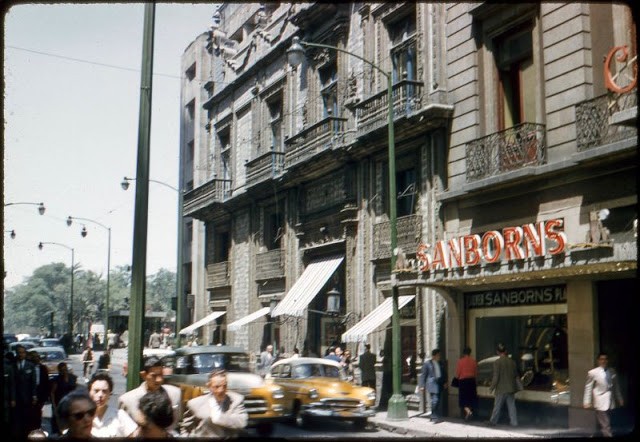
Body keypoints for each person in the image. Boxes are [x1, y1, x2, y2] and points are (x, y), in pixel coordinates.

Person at [118, 355, 182, 434]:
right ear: (143, 375)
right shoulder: (128, 400)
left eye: (161, 374)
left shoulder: (175, 393)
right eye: (154, 376)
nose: (159, 380)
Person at [180, 369, 248, 437]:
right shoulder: (195, 404)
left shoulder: (236, 400)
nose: (221, 390)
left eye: (224, 386)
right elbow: (186, 429)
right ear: (209, 386)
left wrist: (219, 418)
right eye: (216, 387)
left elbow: (242, 422)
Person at [583, 352, 624, 437]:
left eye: (605, 359)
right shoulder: (593, 372)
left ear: (607, 360)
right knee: (605, 423)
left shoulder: (612, 371)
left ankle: (598, 434)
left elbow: (616, 386)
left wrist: (619, 398)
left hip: (610, 400)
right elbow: (588, 387)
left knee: (604, 421)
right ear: (598, 361)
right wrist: (586, 401)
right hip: (600, 400)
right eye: (601, 359)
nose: (603, 361)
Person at [88, 372, 137, 437]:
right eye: (96, 391)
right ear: (89, 392)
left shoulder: (120, 415)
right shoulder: (81, 417)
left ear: (109, 394)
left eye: (104, 391)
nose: (100, 395)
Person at [488, 343, 519, 427]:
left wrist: (491, 388)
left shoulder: (497, 362)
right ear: (506, 351)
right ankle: (514, 422)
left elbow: (496, 377)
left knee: (497, 406)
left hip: (501, 388)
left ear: (497, 352)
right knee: (512, 407)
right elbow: (515, 375)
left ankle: (493, 421)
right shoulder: (512, 362)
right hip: (511, 388)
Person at [11, 344, 38, 438]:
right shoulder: (13, 365)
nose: (21, 354)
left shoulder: (30, 365)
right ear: (16, 353)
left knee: (27, 417)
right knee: (17, 418)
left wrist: (34, 395)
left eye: (22, 353)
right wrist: (13, 398)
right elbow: (12, 383)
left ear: (25, 354)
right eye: (19, 353)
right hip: (17, 397)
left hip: (28, 396)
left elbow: (33, 382)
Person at [418, 348, 447, 423]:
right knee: (435, 400)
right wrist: (421, 385)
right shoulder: (427, 363)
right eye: (438, 355)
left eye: (439, 355)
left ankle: (433, 415)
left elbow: (443, 373)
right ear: (434, 356)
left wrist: (445, 382)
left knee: (437, 400)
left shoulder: (440, 363)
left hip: (439, 383)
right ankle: (434, 416)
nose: (439, 357)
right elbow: (423, 375)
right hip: (432, 384)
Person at [50, 362, 78, 435]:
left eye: (65, 369)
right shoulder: (56, 379)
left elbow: (76, 389)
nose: (64, 371)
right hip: (60, 403)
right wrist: (54, 406)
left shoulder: (73, 377)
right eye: (62, 370)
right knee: (60, 423)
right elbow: (52, 393)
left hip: (71, 403)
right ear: (59, 371)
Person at [27, 351, 51, 431]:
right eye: (34, 356)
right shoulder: (28, 367)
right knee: (30, 412)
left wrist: (46, 395)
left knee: (38, 411)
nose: (36, 358)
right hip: (29, 393)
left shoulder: (43, 368)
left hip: (40, 393)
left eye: (37, 356)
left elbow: (46, 382)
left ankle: (38, 428)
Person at [455, 346, 478, 421]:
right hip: (472, 381)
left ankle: (468, 412)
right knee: (471, 398)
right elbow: (476, 373)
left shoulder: (460, 361)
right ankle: (467, 415)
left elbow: (458, 373)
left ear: (463, 353)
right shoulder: (473, 361)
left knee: (463, 399)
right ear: (470, 353)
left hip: (463, 382)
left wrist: (457, 378)